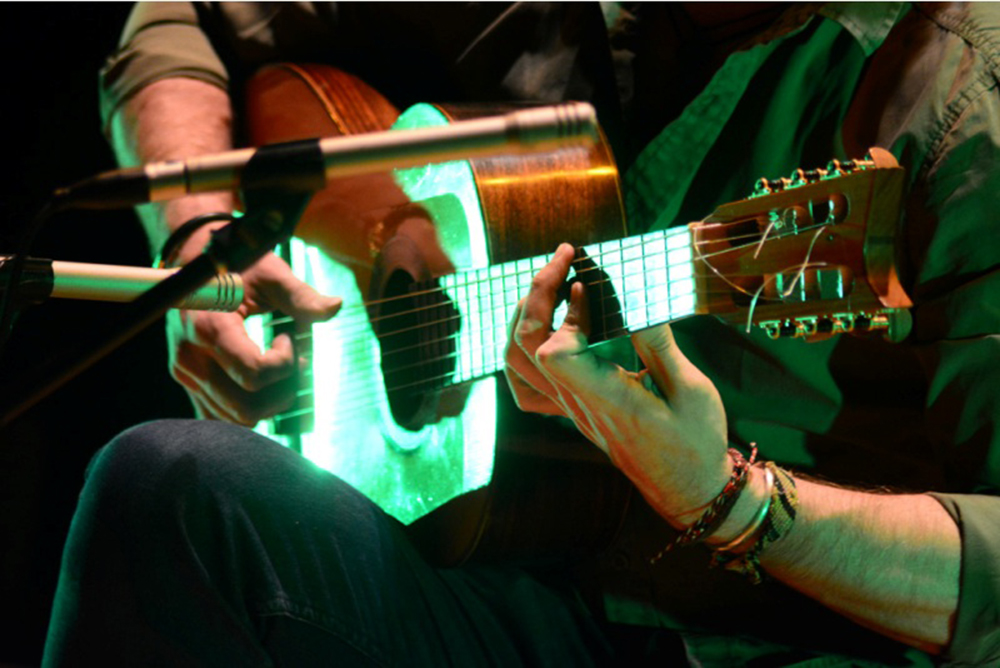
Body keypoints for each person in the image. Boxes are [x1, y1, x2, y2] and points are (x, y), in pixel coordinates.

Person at [43, 2, 1000, 665]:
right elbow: (182, 19)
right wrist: (202, 232)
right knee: (172, 485)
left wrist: (729, 499)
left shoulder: (961, 91)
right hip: (512, 575)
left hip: (744, 646)